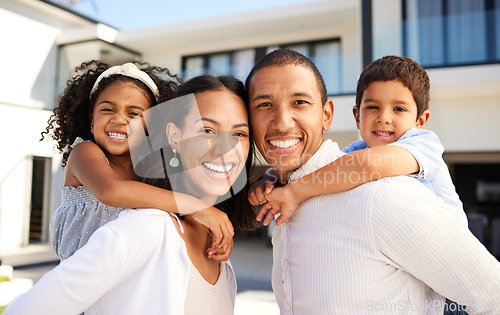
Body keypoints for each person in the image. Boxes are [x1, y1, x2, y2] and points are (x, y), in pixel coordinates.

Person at [245, 49, 500, 314]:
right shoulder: (338, 167)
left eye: (299, 102)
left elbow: (493, 297)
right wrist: (271, 179)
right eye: (264, 105)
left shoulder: (385, 189)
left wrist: (294, 191)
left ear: (327, 115)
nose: (282, 122)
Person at [4, 74, 257, 315]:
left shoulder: (211, 243)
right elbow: (112, 191)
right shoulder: (145, 223)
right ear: (173, 137)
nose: (225, 147)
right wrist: (198, 207)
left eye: (239, 133)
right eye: (208, 130)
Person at [41, 61, 234, 262]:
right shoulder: (84, 152)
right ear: (92, 121)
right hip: (84, 284)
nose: (119, 119)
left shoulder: (152, 174)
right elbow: (111, 191)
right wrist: (196, 206)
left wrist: (218, 235)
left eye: (133, 113)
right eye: (107, 109)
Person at [250, 55, 465, 228]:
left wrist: (293, 192)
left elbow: (367, 165)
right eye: (373, 107)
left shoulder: (423, 144)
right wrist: (273, 178)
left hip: (453, 250)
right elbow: (322, 168)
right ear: (357, 116)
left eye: (398, 109)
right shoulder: (358, 150)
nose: (384, 117)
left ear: (420, 120)